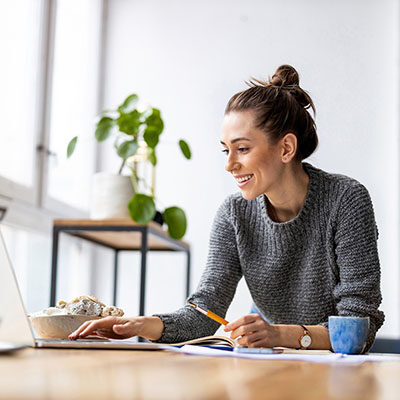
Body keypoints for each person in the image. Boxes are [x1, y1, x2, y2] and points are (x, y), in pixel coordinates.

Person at [70, 65, 384, 351]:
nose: (230, 165)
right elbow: (205, 312)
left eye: (242, 149)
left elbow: (358, 329)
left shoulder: (346, 200)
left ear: (286, 148)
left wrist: (276, 334)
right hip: (272, 365)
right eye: (225, 150)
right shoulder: (234, 214)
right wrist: (142, 325)